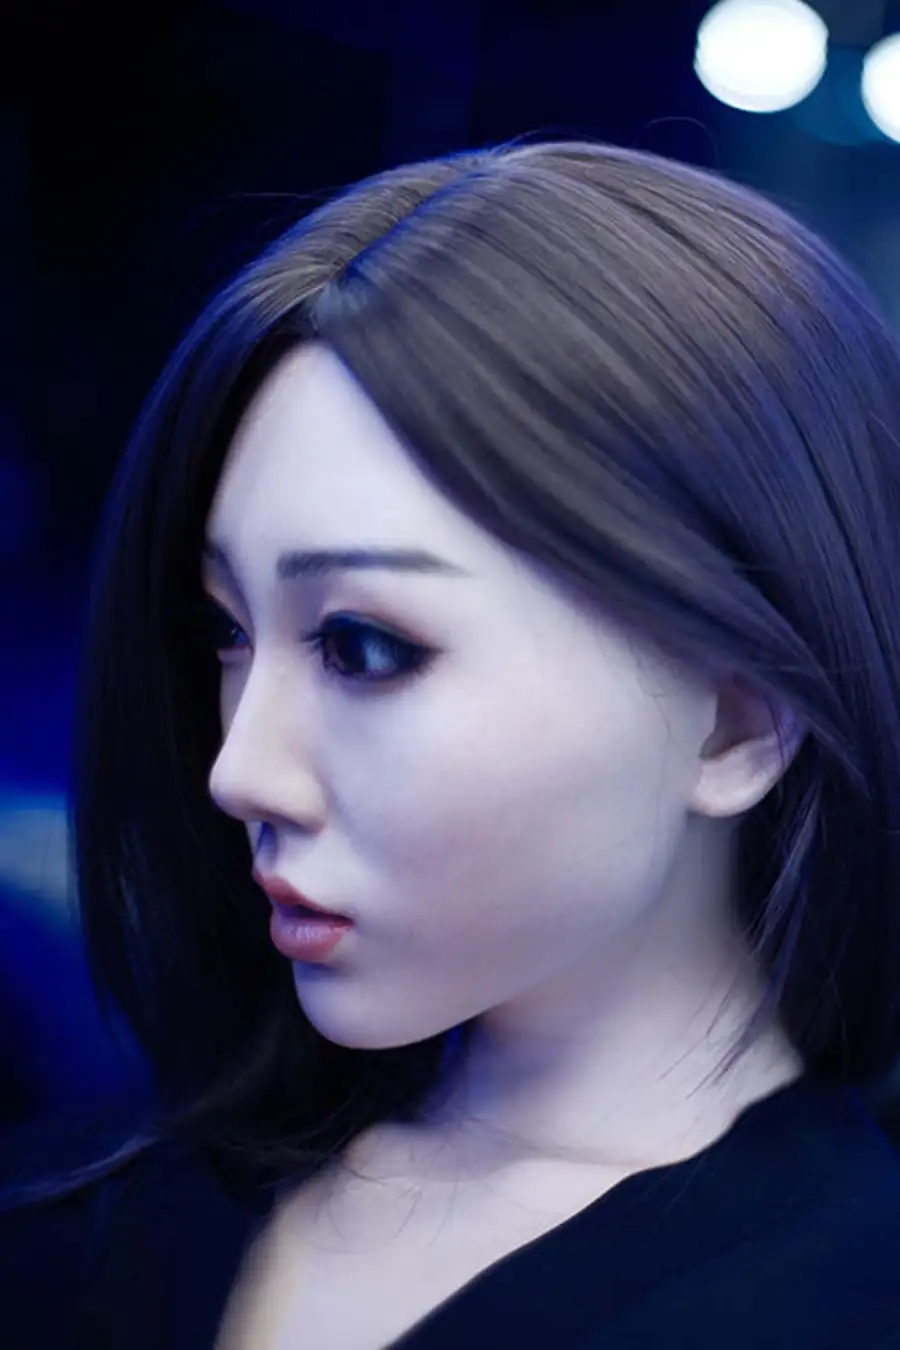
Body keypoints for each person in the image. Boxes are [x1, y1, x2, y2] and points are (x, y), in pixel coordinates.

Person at [3, 137, 900, 1350]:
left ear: (735, 723)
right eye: (226, 631)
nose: (238, 771)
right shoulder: (82, 1214)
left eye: (366, 646)